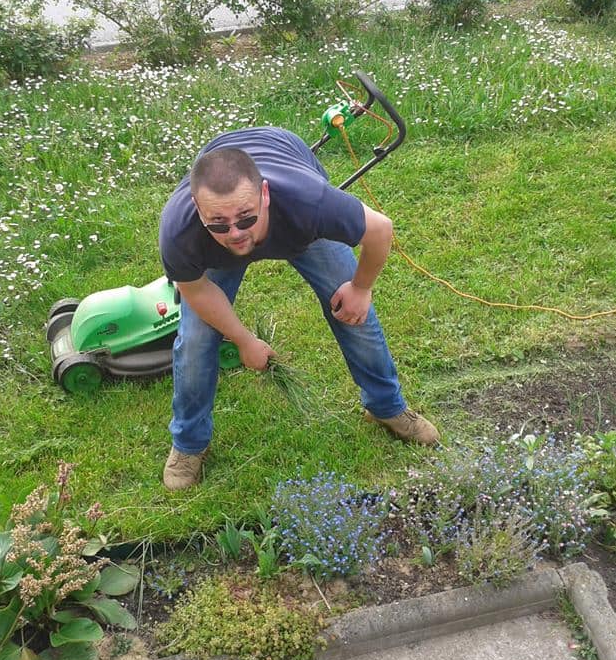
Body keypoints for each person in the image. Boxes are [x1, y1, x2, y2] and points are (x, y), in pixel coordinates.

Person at [158, 126, 440, 490]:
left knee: (353, 314)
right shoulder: (180, 230)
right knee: (195, 338)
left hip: (290, 188)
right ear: (198, 208)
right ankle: (189, 443)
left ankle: (386, 407)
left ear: (264, 195)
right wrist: (244, 340)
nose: (235, 234)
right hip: (230, 209)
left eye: (246, 218)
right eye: (219, 224)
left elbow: (380, 229)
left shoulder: (307, 202)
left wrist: (360, 288)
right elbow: (195, 290)